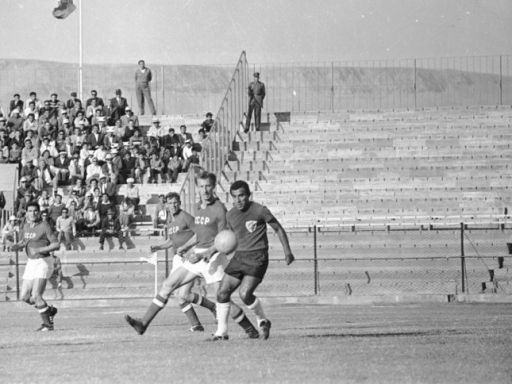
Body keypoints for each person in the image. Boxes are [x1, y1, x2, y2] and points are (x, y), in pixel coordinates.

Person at [125, 172, 258, 337]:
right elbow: (199, 233)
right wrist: (186, 246)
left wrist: (206, 254)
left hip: (213, 258)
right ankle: (143, 323)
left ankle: (250, 329)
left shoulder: (219, 209)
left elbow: (224, 239)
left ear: (214, 186)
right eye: (201, 186)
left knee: (222, 299)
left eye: (208, 186)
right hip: (196, 255)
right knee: (168, 285)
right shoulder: (198, 206)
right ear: (197, 188)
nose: (205, 190)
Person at [212, 180, 295, 341]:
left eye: (242, 195)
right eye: (235, 197)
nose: (238, 200)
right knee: (222, 293)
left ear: (249, 195)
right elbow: (227, 239)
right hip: (239, 257)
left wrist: (287, 252)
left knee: (245, 294)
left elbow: (278, 228)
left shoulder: (260, 210)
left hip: (258, 257)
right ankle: (221, 332)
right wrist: (220, 251)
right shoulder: (230, 215)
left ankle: (262, 320)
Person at [11, 202, 60, 331]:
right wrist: (18, 246)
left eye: (35, 211)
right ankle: (49, 310)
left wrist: (39, 250)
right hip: (31, 262)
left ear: (39, 212)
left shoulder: (45, 226)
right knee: (24, 297)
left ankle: (48, 326)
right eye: (30, 211)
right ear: (26, 212)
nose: (32, 213)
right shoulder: (26, 226)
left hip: (43, 261)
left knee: (36, 295)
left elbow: (56, 244)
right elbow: (25, 242)